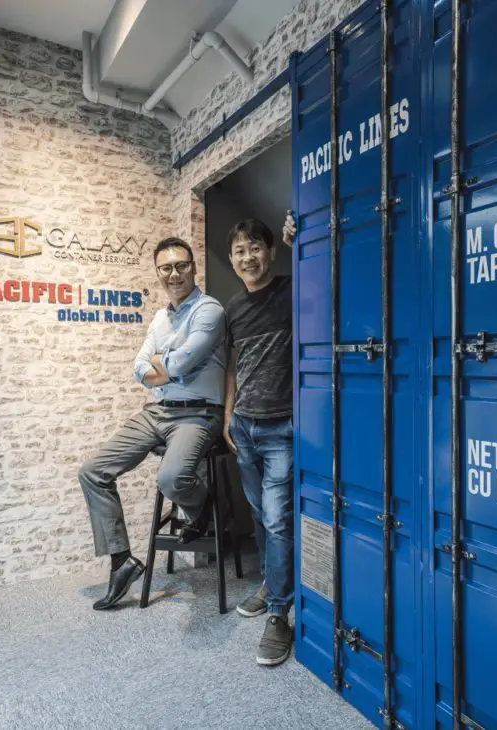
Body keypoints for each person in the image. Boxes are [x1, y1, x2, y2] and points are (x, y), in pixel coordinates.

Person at [79, 237, 227, 611]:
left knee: (171, 478)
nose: (174, 274)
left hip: (198, 413)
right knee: (93, 471)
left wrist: (163, 363)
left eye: (181, 265)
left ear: (194, 267)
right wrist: (162, 366)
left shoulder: (210, 311)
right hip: (157, 411)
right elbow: (139, 366)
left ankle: (204, 505)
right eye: (166, 268)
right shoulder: (160, 318)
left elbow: (180, 363)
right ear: (158, 272)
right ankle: (121, 562)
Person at [223, 214, 296, 666]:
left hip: (281, 427)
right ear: (231, 259)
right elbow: (235, 366)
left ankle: (279, 614)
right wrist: (228, 415)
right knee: (259, 515)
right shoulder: (232, 309)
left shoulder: (293, 288)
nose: (248, 257)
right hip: (244, 427)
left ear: (270, 251)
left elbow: (329, 270)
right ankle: (272, 582)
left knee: (277, 519)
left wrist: (299, 236)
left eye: (255, 247)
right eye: (239, 251)